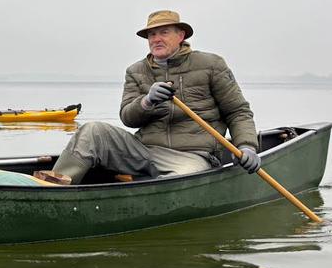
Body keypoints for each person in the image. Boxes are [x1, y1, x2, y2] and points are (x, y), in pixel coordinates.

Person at [39, 10, 261, 185]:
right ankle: (54, 190)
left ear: (180, 35)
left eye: (164, 32)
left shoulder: (211, 65)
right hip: (143, 151)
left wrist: (248, 146)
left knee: (180, 179)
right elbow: (128, 117)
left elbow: (238, 112)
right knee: (92, 131)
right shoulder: (136, 71)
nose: (156, 39)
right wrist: (147, 102)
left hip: (193, 156)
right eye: (152, 35)